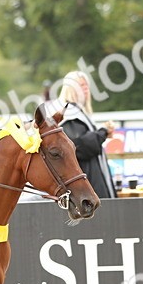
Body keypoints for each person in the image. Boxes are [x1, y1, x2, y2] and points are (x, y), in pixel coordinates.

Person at [57, 70, 117, 199]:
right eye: (81, 85)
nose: (85, 89)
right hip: (85, 180)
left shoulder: (78, 112)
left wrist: (102, 133)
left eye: (86, 86)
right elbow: (79, 146)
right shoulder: (70, 114)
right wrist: (102, 132)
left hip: (91, 177)